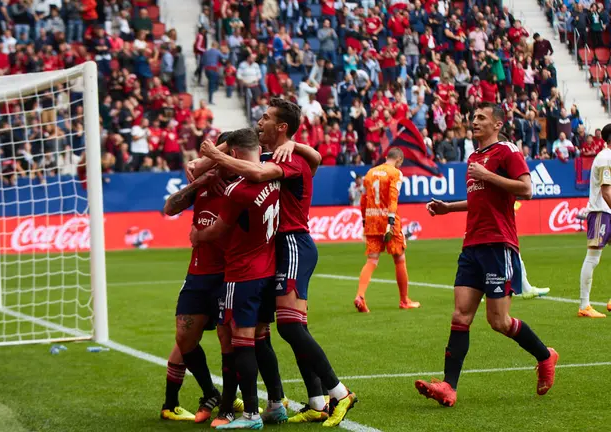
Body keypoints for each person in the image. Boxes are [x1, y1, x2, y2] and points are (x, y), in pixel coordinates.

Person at [200, 98, 356, 427]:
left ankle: (339, 393)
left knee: (289, 325)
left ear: (281, 127)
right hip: (273, 250)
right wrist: (218, 155)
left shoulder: (291, 157)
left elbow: (261, 170)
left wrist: (215, 155)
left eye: (266, 117)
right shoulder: (277, 153)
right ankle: (315, 401)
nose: (260, 121)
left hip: (293, 242)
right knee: (284, 328)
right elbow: (213, 165)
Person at [417, 102, 558, 407]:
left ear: (497, 124)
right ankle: (448, 387)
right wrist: (448, 208)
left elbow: (526, 190)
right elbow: (477, 200)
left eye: (482, 117)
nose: (475, 121)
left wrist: (488, 175)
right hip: (472, 246)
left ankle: (545, 356)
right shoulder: (475, 158)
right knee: (460, 315)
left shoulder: (507, 151)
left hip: (498, 244)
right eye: (474, 117)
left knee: (499, 321)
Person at [190, 128, 281, 430]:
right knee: (262, 339)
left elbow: (217, 231)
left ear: (234, 155)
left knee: (240, 343)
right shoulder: (274, 176)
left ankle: (252, 415)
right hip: (268, 271)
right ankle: (277, 404)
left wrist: (197, 235)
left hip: (242, 275)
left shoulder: (237, 191)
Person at [159, 133, 249, 423]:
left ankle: (232, 403)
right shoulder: (205, 182)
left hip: (229, 273)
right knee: (184, 337)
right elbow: (169, 208)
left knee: (229, 340)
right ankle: (210, 392)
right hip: (198, 273)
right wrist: (200, 182)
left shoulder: (243, 183)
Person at [354, 148, 421, 313]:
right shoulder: (395, 173)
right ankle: (404, 300)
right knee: (399, 259)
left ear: (386, 157)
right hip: (388, 222)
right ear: (399, 160)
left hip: (371, 219)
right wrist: (390, 222)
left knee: (372, 260)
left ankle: (360, 296)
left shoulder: (370, 173)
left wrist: (364, 221)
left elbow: (363, 199)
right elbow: (393, 198)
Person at [576, 123, 611, 318]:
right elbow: (606, 191)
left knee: (594, 257)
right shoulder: (606, 158)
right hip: (600, 212)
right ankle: (584, 305)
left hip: (607, 211)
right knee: (593, 257)